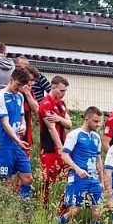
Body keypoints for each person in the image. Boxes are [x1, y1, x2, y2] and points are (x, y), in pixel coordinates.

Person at [0, 65, 35, 197]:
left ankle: (24, 205)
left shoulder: (20, 97)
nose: (19, 88)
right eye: (17, 84)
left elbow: (23, 118)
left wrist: (24, 126)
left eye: (22, 85)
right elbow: (4, 123)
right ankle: (4, 210)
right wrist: (17, 140)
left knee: (28, 178)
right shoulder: (0, 96)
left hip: (17, 144)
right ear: (11, 79)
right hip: (4, 144)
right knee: (6, 182)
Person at [60, 106, 106, 224]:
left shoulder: (96, 137)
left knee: (98, 208)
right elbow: (64, 155)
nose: (98, 124)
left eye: (99, 121)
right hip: (78, 178)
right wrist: (77, 169)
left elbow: (98, 160)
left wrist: (102, 181)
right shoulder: (74, 135)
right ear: (87, 119)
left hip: (94, 179)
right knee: (75, 210)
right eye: (95, 121)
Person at [37, 76, 73, 208]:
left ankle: (61, 210)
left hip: (62, 148)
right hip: (50, 149)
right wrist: (61, 148)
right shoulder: (46, 104)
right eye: (62, 91)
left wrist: (59, 118)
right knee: (47, 181)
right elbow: (51, 129)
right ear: (53, 88)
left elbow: (69, 124)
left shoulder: (61, 104)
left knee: (64, 180)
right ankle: (43, 209)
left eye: (65, 91)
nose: (63, 94)